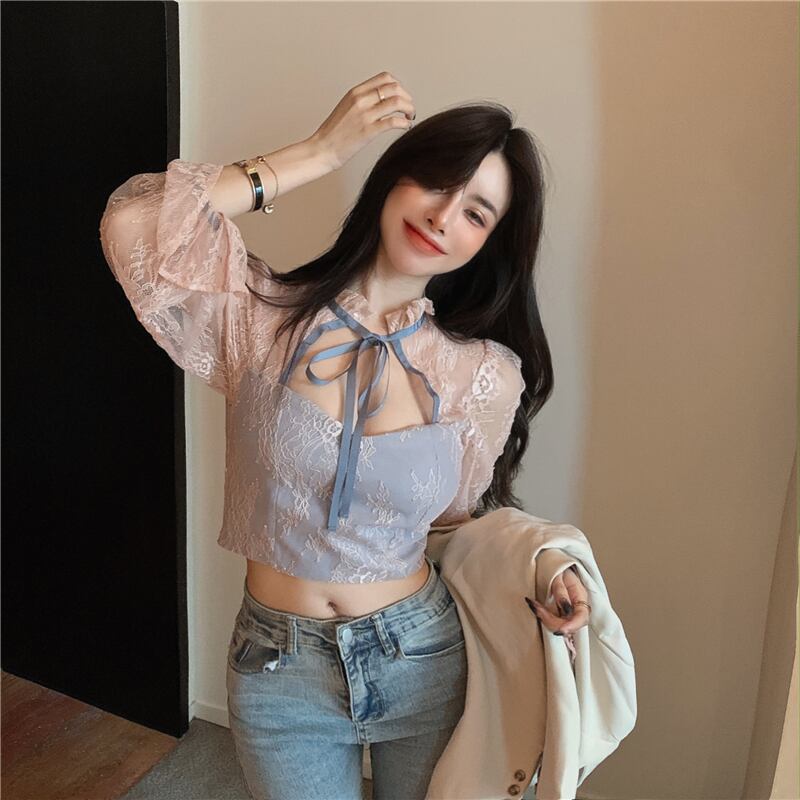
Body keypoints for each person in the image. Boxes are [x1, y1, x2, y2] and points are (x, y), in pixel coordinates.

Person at [98, 70, 591, 800]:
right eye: (437, 182)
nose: (443, 216)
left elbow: (454, 527)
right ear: (394, 177)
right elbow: (134, 224)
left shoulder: (480, 375)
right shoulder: (261, 318)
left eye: (476, 212)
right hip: (278, 668)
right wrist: (319, 153)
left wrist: (545, 564)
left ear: (487, 245)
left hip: (421, 653)